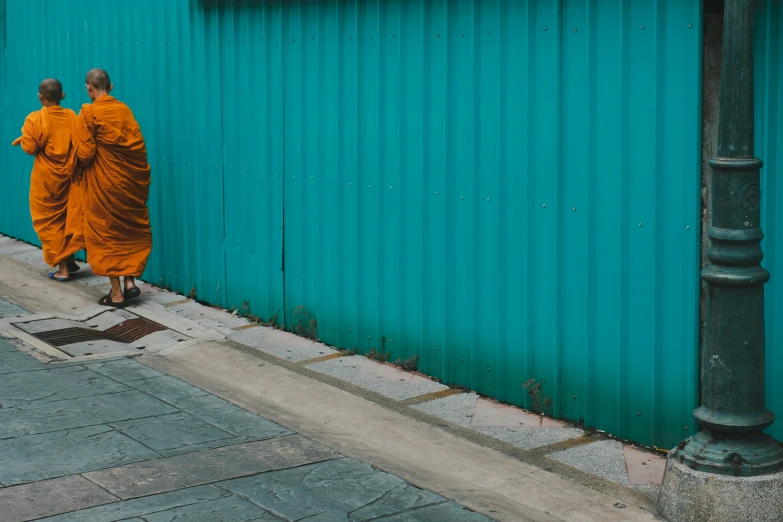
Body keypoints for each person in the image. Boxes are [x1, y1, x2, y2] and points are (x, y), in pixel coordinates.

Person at [71, 68, 152, 307]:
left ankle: (116, 293)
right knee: (128, 230)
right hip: (129, 183)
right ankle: (130, 282)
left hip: (104, 185)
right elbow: (137, 148)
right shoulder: (125, 111)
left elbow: (85, 154)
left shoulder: (88, 113)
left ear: (89, 88)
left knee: (107, 233)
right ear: (111, 87)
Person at [12, 79, 84, 281]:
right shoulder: (71, 116)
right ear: (62, 96)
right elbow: (80, 142)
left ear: (40, 97)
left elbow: (30, 148)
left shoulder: (34, 119)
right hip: (68, 176)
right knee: (66, 218)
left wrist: (24, 138)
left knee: (49, 222)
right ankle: (69, 260)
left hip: (46, 179)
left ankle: (63, 269)